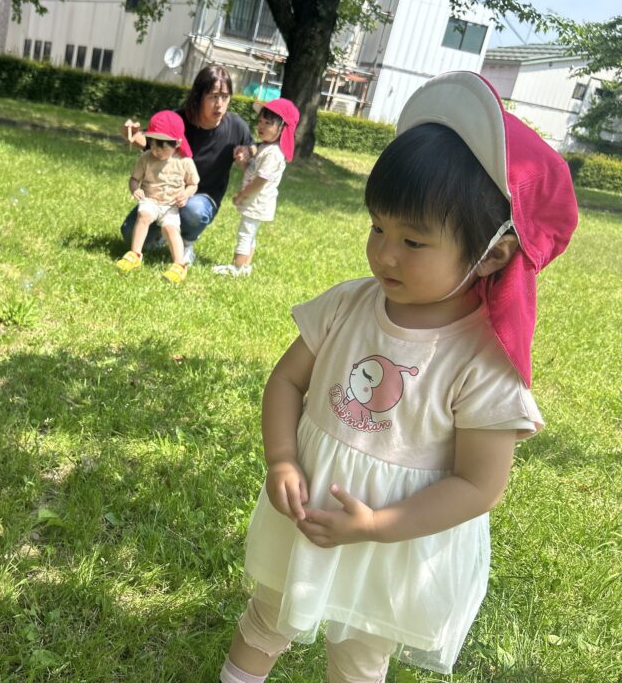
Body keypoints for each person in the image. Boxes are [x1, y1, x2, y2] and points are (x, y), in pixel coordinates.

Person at [220, 72, 578, 683]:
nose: (384, 253)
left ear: (492, 253)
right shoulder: (348, 305)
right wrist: (281, 458)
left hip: (392, 543)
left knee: (360, 655)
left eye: (413, 241)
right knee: (267, 615)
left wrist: (377, 527)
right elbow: (286, 382)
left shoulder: (483, 362)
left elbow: (479, 484)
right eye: (378, 227)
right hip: (309, 508)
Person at [120, 65, 254, 265]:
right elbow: (147, 140)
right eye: (213, 96)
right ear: (199, 96)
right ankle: (162, 235)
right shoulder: (178, 120)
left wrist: (248, 153)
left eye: (225, 97)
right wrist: (129, 134)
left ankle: (186, 242)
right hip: (162, 196)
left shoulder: (236, 126)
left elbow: (253, 148)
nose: (219, 104)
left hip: (202, 198)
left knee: (193, 210)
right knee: (129, 234)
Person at [212, 98, 299, 277]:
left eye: (268, 123)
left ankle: (236, 267)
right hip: (256, 201)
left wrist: (241, 195)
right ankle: (245, 267)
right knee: (250, 232)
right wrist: (242, 163)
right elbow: (253, 172)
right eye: (260, 121)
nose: (261, 126)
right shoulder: (266, 148)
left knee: (245, 233)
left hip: (256, 201)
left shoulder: (273, 153)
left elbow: (260, 181)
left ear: (282, 128)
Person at [115, 110, 200, 283]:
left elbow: (193, 184)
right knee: (144, 215)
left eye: (162, 146)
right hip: (151, 200)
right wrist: (135, 189)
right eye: (152, 144)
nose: (155, 150)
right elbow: (134, 179)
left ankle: (179, 265)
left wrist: (185, 194)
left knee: (170, 229)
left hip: (170, 206)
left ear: (177, 143)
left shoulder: (184, 161)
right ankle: (135, 255)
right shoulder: (146, 158)